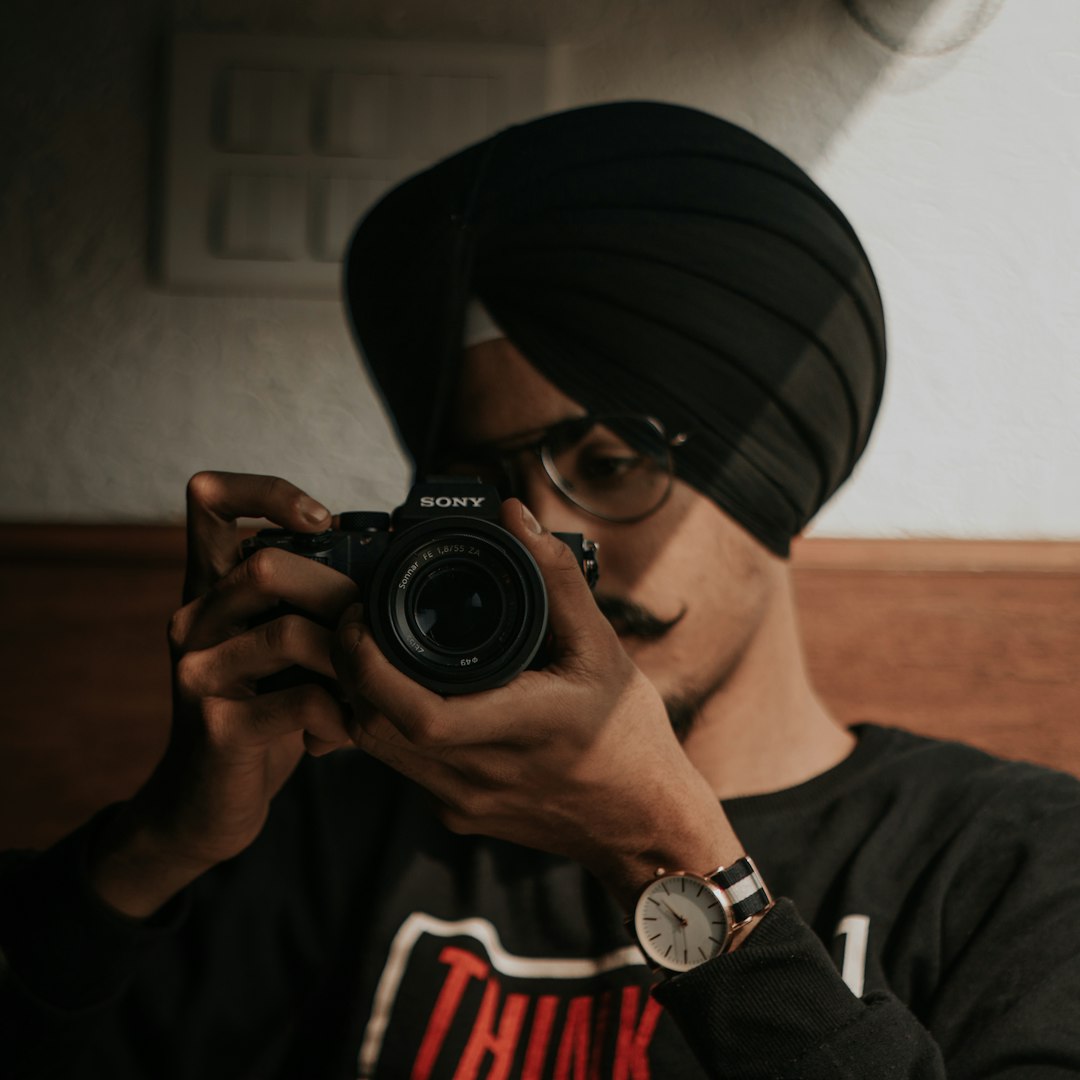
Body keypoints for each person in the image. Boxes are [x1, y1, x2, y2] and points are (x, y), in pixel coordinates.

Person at [2, 101, 1079, 1079]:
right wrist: (158, 845)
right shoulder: (335, 826)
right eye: (478, 489)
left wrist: (665, 855)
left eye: (608, 466)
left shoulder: (1013, 861)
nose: (551, 543)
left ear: (775, 475)